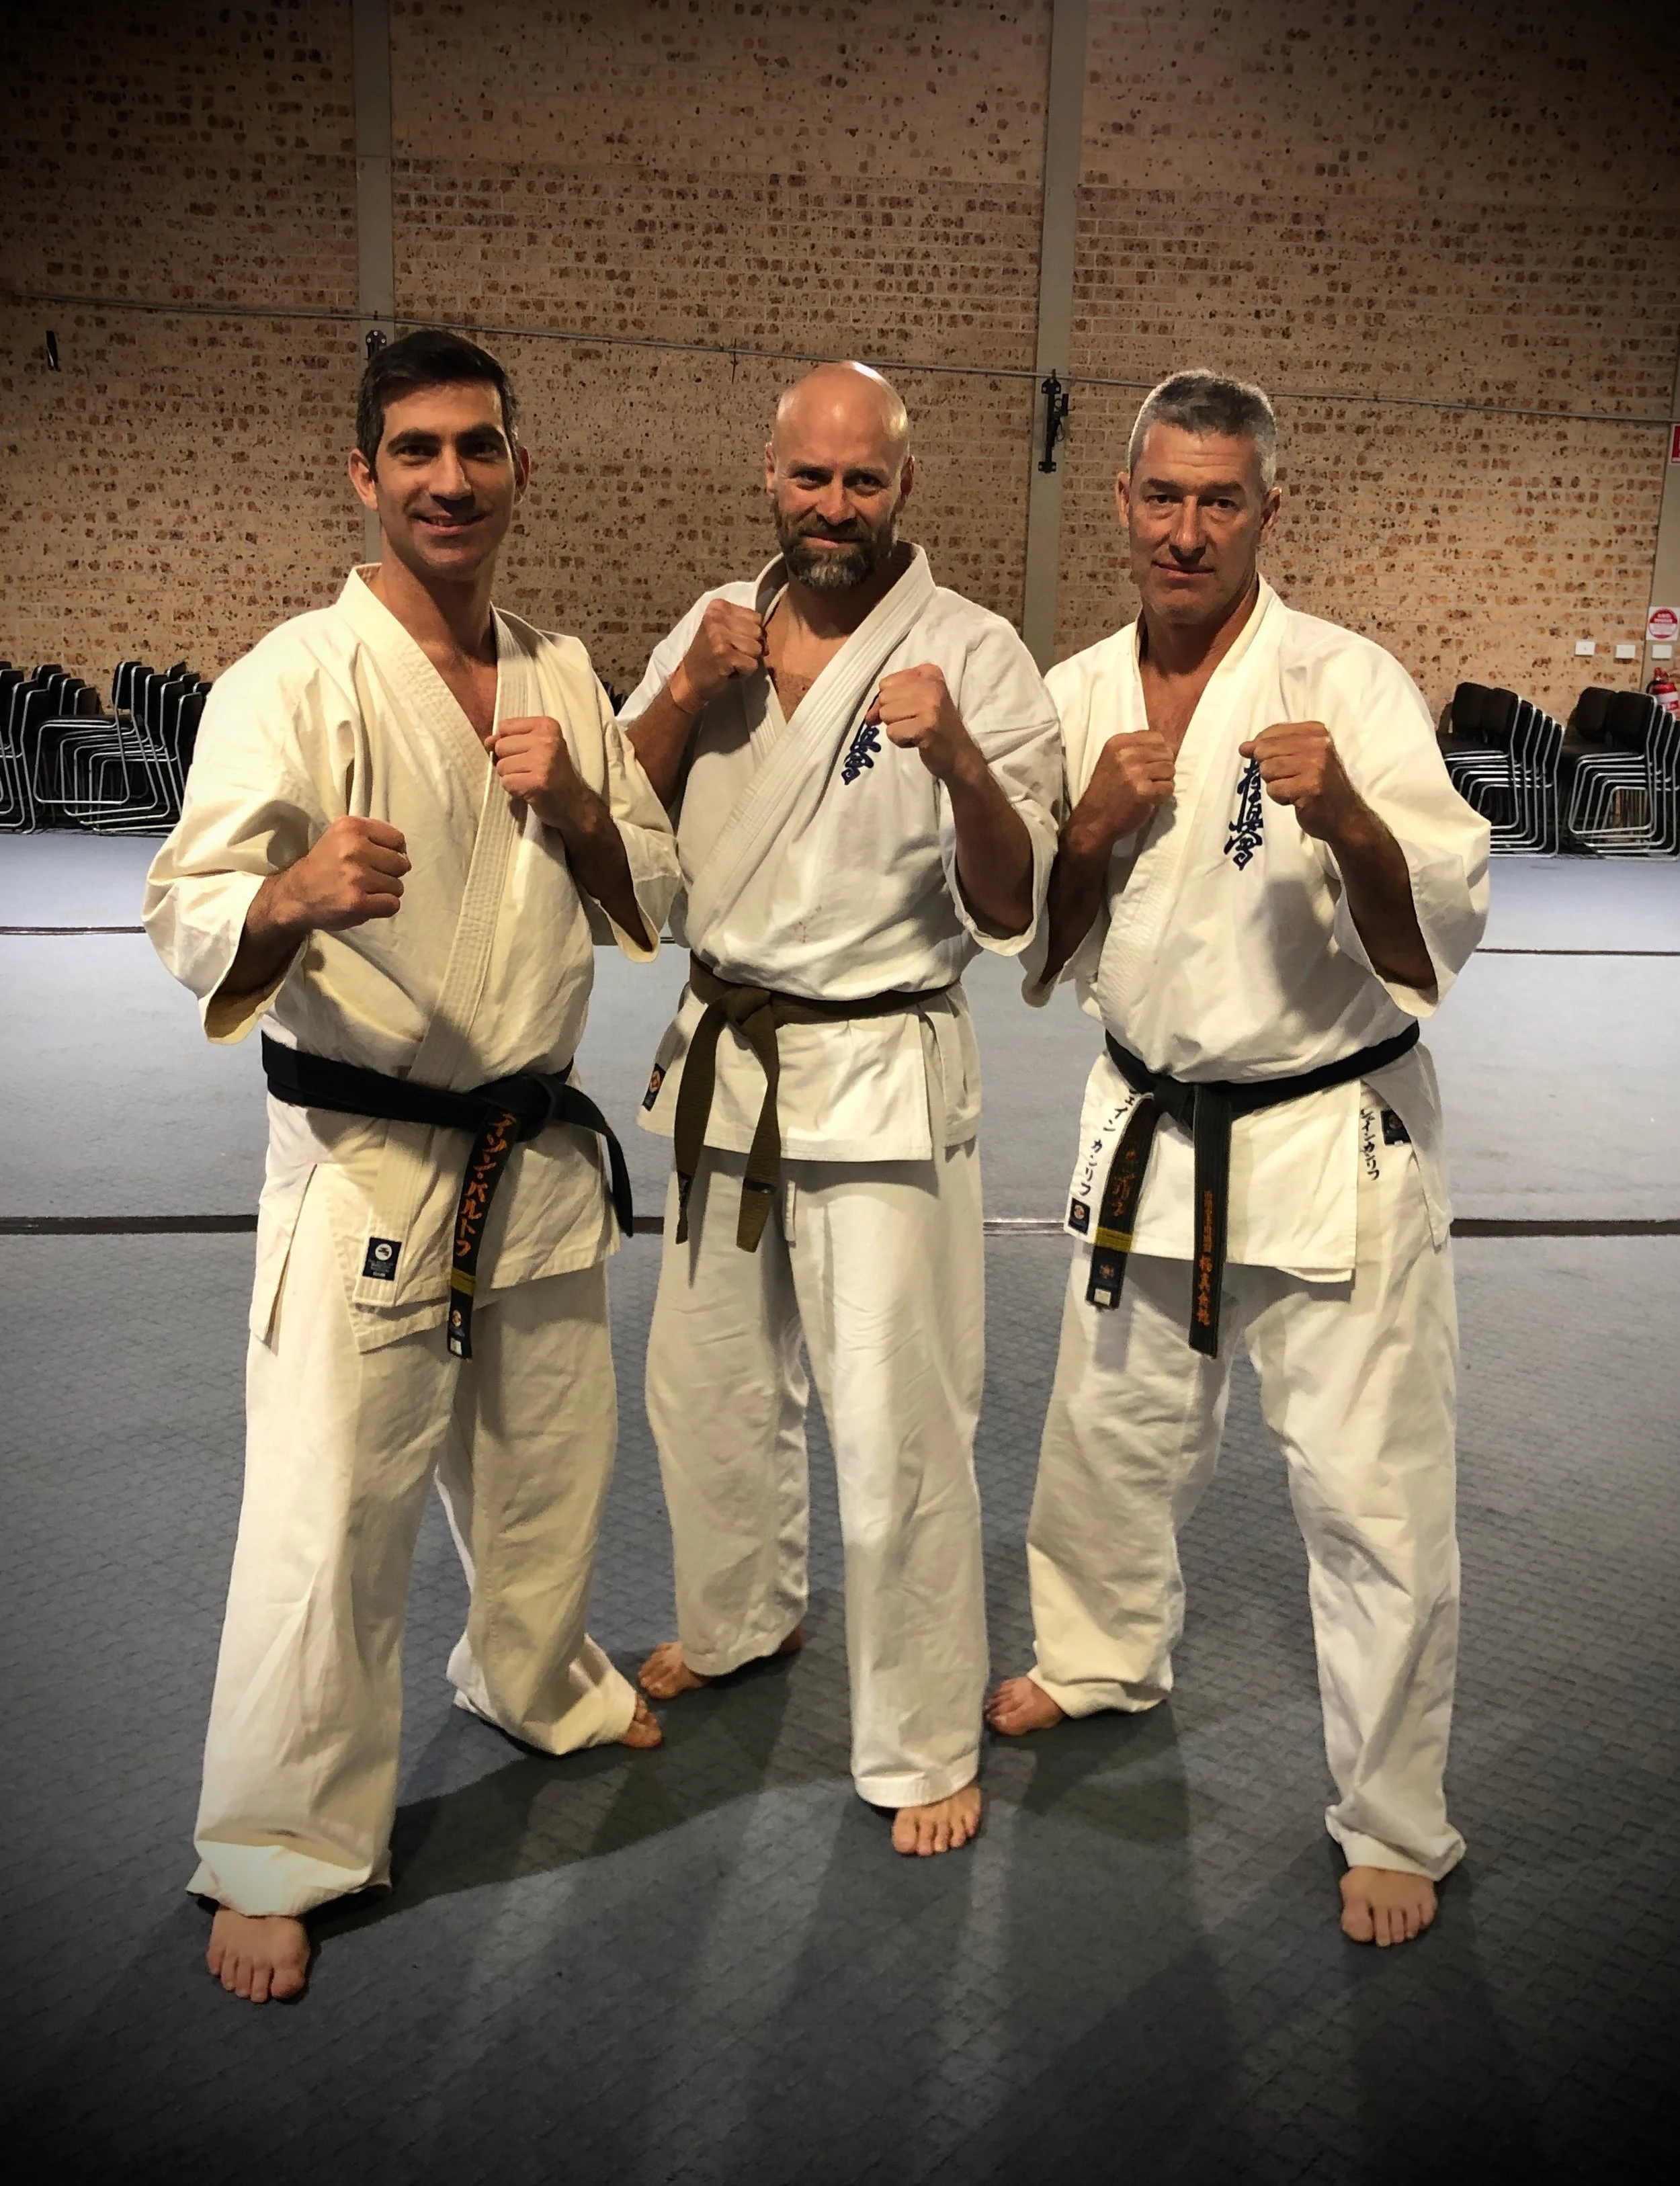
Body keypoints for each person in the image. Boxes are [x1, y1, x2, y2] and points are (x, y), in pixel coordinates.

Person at [144, 328, 680, 2002]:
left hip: (529, 1144)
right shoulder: (290, 677)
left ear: (520, 468)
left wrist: (586, 808)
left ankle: (534, 1679)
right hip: (370, 1156)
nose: (451, 480)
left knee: (543, 1466)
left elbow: (648, 889)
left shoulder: (564, 671)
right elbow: (182, 901)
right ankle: (276, 1843)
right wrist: (288, 899)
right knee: (327, 1514)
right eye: (417, 452)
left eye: (479, 448)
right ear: (363, 474)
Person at [985, 370, 1488, 1947]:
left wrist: (1344, 817)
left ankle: (1395, 1819)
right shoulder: (1069, 695)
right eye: (1161, 496)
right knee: (1107, 1444)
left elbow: (1436, 942)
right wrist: (1082, 837)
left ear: (1269, 511)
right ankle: (1097, 1657)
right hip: (1146, 1128)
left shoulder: (1349, 683)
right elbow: (1033, 943)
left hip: (1327, 1141)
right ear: (1121, 502)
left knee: (1370, 1502)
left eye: (1220, 500)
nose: (1185, 529)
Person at [620, 362, 1061, 1856]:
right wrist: (684, 691)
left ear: (903, 488)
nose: (831, 507)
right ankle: (741, 1616)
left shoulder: (976, 653)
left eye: (859, 480)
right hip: (727, 1060)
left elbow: (1015, 907)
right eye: (808, 479)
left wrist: (956, 758)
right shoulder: (710, 631)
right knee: (704, 1391)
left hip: (879, 1073)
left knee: (896, 1422)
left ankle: (923, 1733)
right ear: (768, 476)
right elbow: (611, 837)